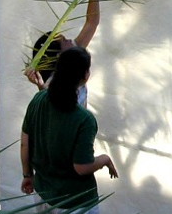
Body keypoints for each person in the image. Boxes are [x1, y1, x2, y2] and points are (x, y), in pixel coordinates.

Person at [20, 47, 117, 213]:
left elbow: (25, 144)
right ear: (85, 76)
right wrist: (105, 159)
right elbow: (82, 167)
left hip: (43, 193)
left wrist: (27, 176)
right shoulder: (84, 120)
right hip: (76, 201)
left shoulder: (38, 99)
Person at [25, 0, 100, 108]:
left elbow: (92, 22)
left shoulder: (72, 55)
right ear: (59, 55)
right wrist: (40, 87)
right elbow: (50, 105)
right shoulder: (53, 83)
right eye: (65, 41)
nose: (70, 40)